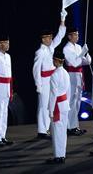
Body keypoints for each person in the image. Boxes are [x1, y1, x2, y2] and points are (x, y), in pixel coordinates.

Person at [32, 10, 67, 139]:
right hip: (44, 80)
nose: (51, 39)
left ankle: (46, 128)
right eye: (48, 37)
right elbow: (36, 70)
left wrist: (62, 19)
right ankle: (42, 130)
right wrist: (38, 85)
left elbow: (60, 36)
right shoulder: (40, 52)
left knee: (49, 104)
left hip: (52, 79)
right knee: (43, 105)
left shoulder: (51, 47)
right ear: (43, 39)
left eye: (51, 37)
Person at [62, 26, 90, 136]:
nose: (77, 36)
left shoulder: (78, 47)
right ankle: (69, 126)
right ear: (69, 36)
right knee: (71, 101)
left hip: (79, 74)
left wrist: (86, 55)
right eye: (75, 35)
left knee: (78, 100)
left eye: (77, 34)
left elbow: (85, 62)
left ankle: (75, 125)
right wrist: (82, 54)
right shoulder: (66, 48)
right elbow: (73, 63)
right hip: (71, 74)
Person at [45, 47, 70, 164]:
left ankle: (58, 156)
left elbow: (53, 94)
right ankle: (62, 154)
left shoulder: (54, 75)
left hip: (57, 106)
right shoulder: (66, 73)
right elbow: (68, 91)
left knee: (56, 132)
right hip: (64, 104)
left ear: (55, 60)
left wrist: (50, 110)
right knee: (63, 131)